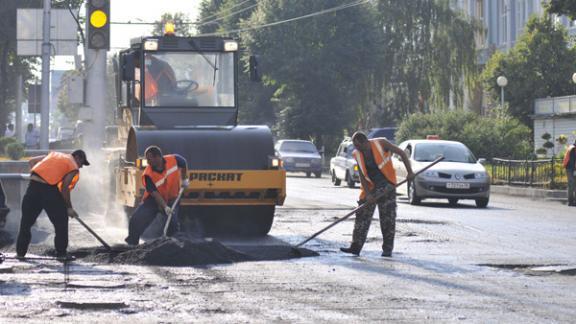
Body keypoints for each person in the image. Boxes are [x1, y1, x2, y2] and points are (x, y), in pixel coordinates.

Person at [340, 131, 414, 257]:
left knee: (387, 218)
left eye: (358, 145)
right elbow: (362, 176)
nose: (357, 148)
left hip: (387, 184)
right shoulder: (357, 153)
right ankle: (355, 247)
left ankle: (387, 249)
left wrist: (410, 172)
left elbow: (401, 153)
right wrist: (368, 195)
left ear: (364, 141)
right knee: (361, 213)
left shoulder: (381, 143)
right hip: (371, 188)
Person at [16, 149, 90, 260]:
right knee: (61, 222)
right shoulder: (72, 165)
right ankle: (61, 254)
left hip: (32, 187)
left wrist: (39, 178)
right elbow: (65, 188)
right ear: (77, 157)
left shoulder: (53, 155)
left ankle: (20, 253)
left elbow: (31, 161)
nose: (80, 167)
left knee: (26, 223)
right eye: (81, 163)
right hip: (49, 190)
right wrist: (69, 208)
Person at [125, 146, 189, 245]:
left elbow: (183, 162)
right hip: (153, 200)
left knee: (172, 222)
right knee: (136, 220)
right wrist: (165, 207)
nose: (147, 161)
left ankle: (172, 244)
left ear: (158, 157)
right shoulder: (148, 174)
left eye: (149, 158)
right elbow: (155, 194)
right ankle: (132, 242)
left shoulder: (174, 160)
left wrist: (184, 179)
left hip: (172, 198)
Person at [563, 140, 576, 206]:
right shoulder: (573, 149)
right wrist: (574, 171)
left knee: (572, 185)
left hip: (570, 169)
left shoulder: (572, 147)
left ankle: (572, 201)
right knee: (571, 185)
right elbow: (572, 161)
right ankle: (570, 202)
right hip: (571, 169)